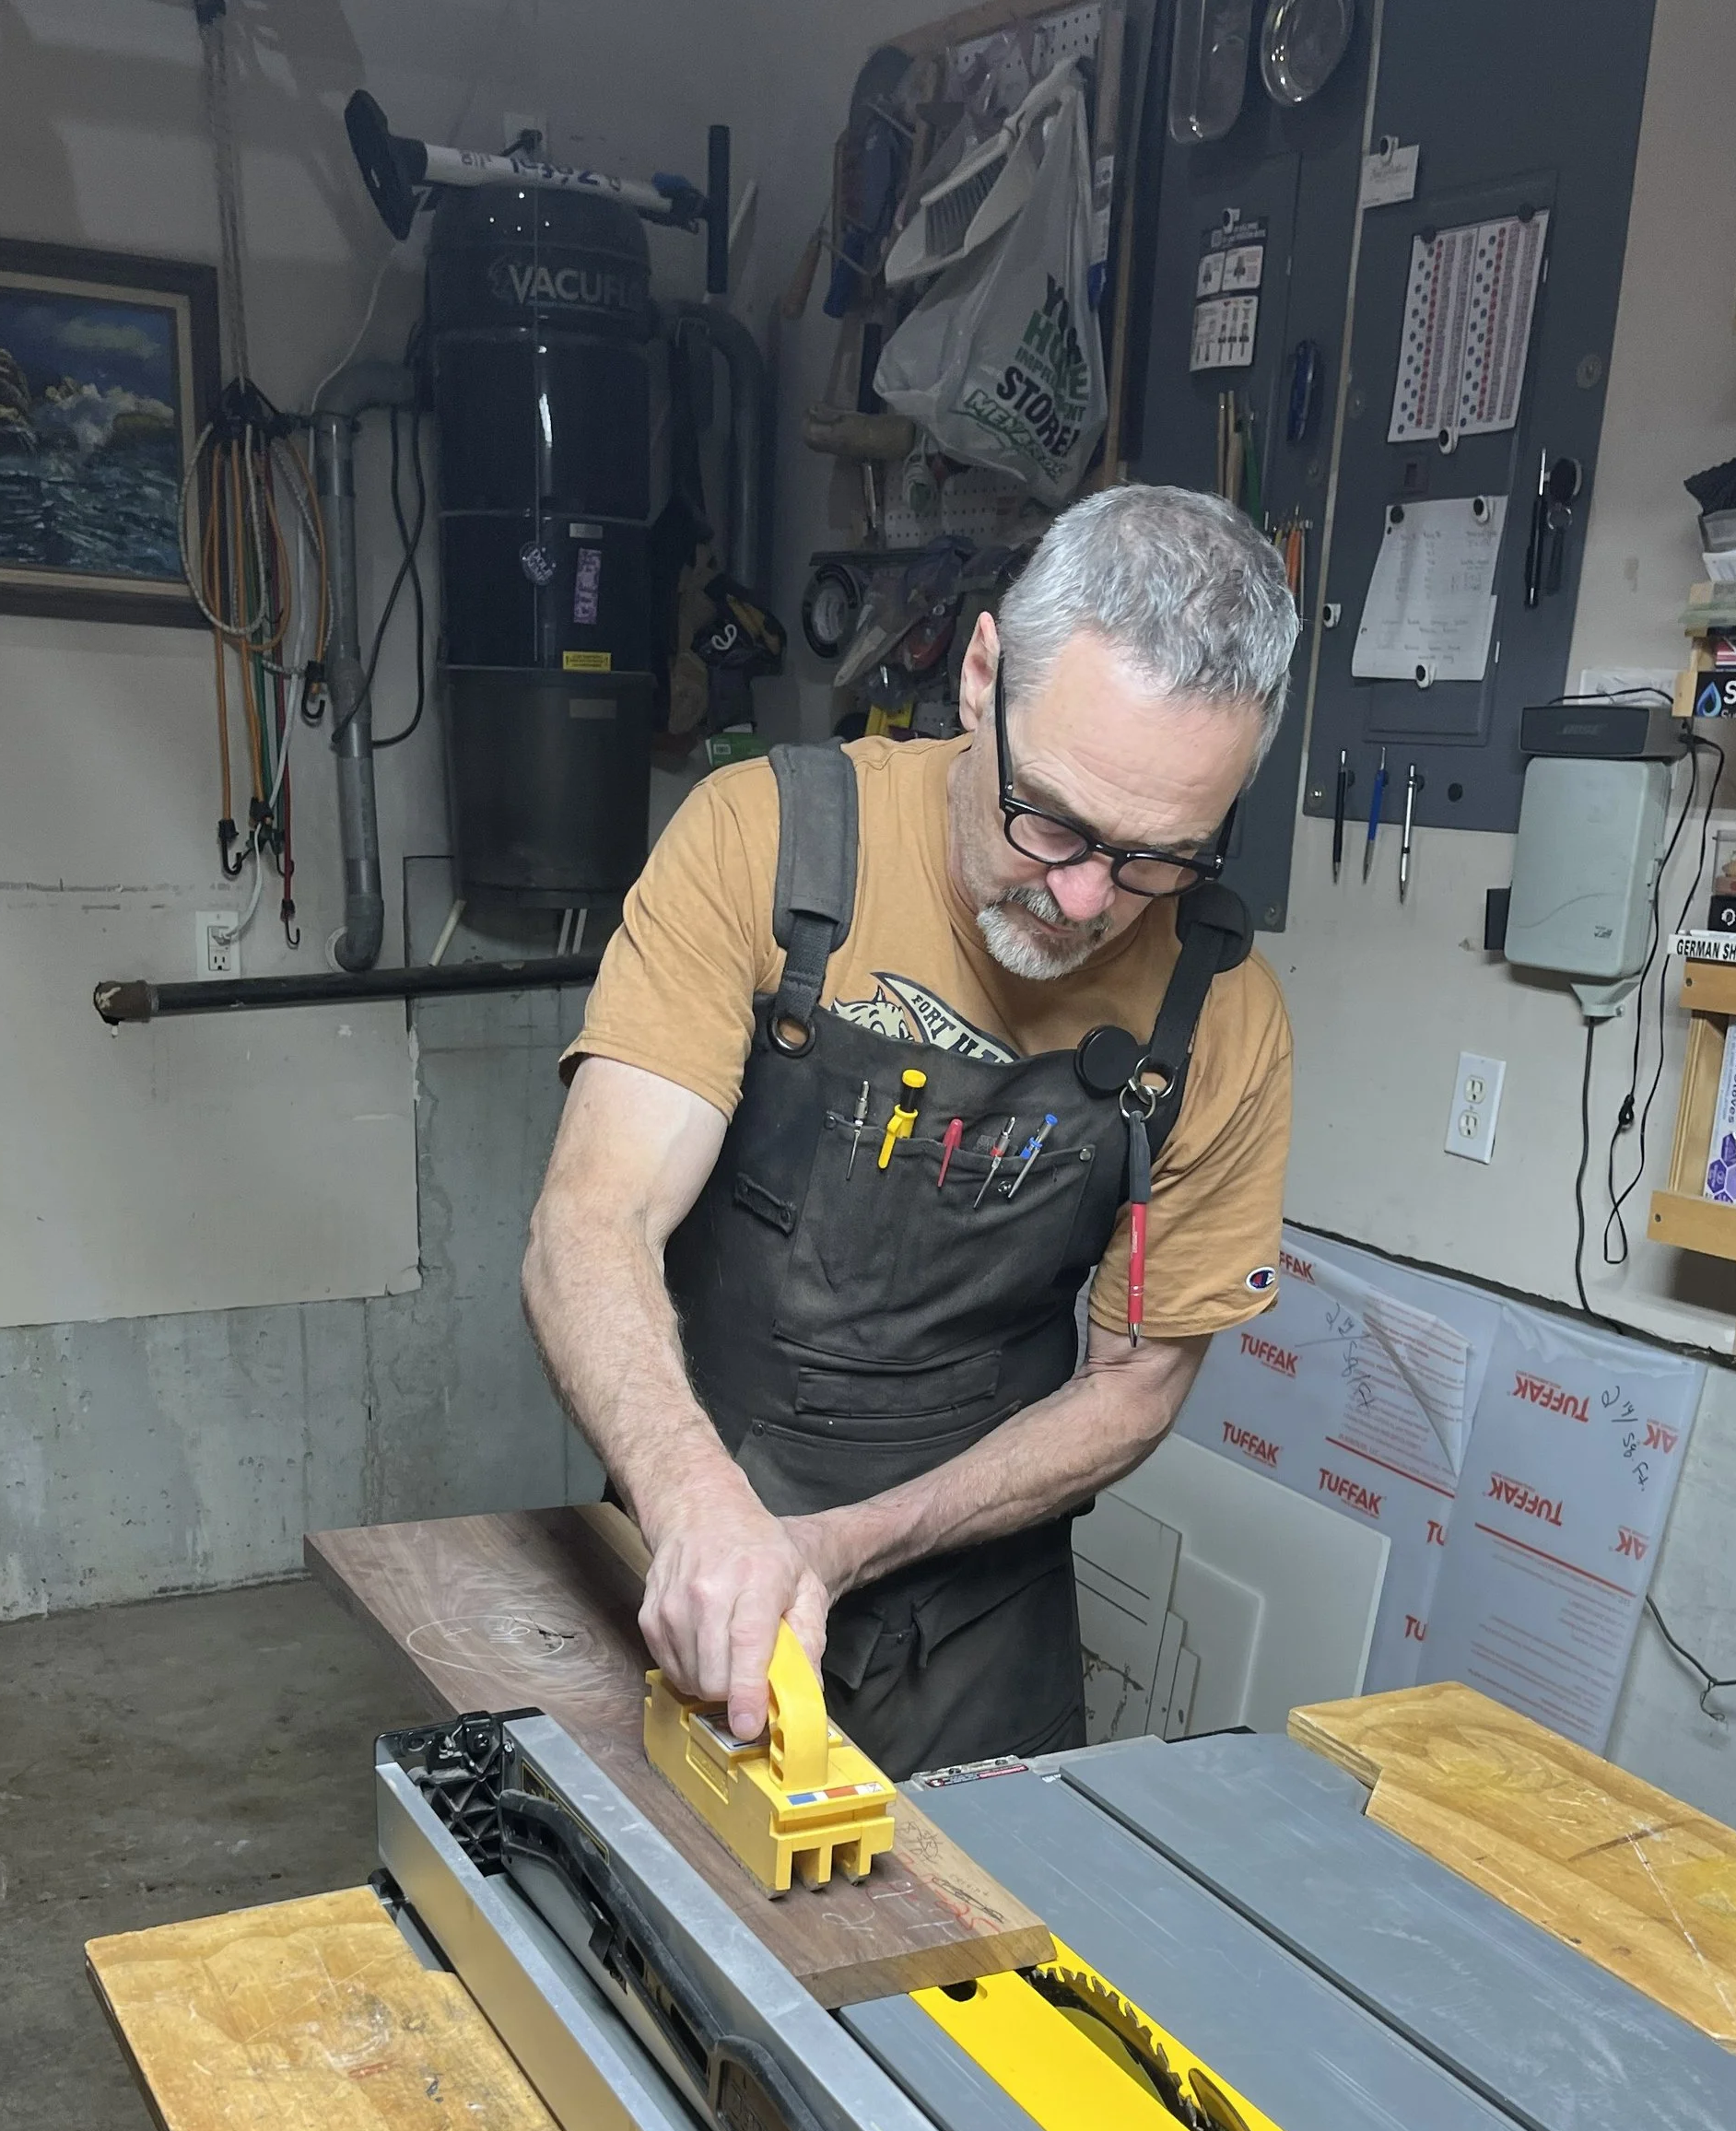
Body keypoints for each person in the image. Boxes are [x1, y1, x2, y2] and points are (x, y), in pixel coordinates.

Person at [522, 483, 1300, 1775]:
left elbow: (1134, 1384)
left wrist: (844, 1544)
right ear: (981, 676)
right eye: (1048, 816)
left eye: (1160, 856)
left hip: (984, 1622)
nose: (1083, 897)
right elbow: (587, 1224)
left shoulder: (1219, 1017)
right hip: (696, 1556)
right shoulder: (768, 842)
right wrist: (707, 1513)